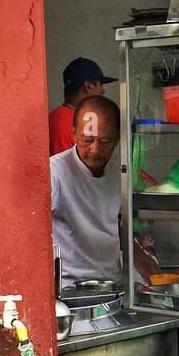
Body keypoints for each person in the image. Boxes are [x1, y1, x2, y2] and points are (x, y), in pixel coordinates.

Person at [50, 95, 155, 286]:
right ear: (74, 133)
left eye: (105, 142)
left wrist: (138, 254)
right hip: (69, 288)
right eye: (87, 140)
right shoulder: (54, 172)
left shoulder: (120, 173)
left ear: (117, 139)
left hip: (110, 284)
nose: (95, 150)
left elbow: (118, 224)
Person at [48, 57, 116, 156]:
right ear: (88, 86)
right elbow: (64, 170)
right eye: (100, 84)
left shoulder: (72, 118)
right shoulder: (62, 124)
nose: (102, 91)